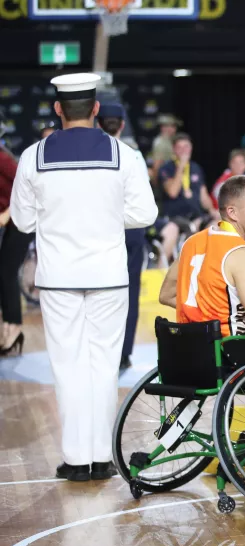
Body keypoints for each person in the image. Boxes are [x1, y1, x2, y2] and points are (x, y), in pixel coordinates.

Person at [10, 73, 158, 481]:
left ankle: (76, 460)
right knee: (104, 365)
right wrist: (109, 218)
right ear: (95, 110)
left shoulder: (32, 157)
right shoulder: (125, 155)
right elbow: (146, 215)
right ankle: (102, 457)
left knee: (69, 365)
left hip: (58, 278)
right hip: (109, 275)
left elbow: (21, 221)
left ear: (58, 110)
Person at [158, 175, 245, 365]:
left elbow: (166, 296)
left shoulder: (192, 242)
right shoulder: (239, 252)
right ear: (232, 212)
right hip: (229, 356)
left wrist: (207, 316)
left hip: (189, 354)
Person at [95, 102, 148, 371]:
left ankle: (102, 350)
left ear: (98, 123)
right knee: (131, 292)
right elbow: (145, 201)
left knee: (99, 291)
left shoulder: (92, 155)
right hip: (131, 231)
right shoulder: (133, 155)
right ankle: (124, 353)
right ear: (122, 125)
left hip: (102, 230)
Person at [157, 133, 219, 262]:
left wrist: (213, 210)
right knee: (188, 228)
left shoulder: (196, 168)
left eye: (186, 147)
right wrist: (181, 167)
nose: (184, 151)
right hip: (175, 217)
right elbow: (172, 192)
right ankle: (162, 267)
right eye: (179, 147)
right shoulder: (166, 168)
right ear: (174, 150)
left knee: (217, 224)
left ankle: (210, 264)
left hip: (196, 215)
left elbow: (203, 196)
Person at [0, 143, 31, 356]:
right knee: (3, 273)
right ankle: (8, 327)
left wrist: (8, 213)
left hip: (22, 220)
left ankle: (14, 327)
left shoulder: (2, 159)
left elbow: (27, 187)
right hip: (11, 223)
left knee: (7, 273)